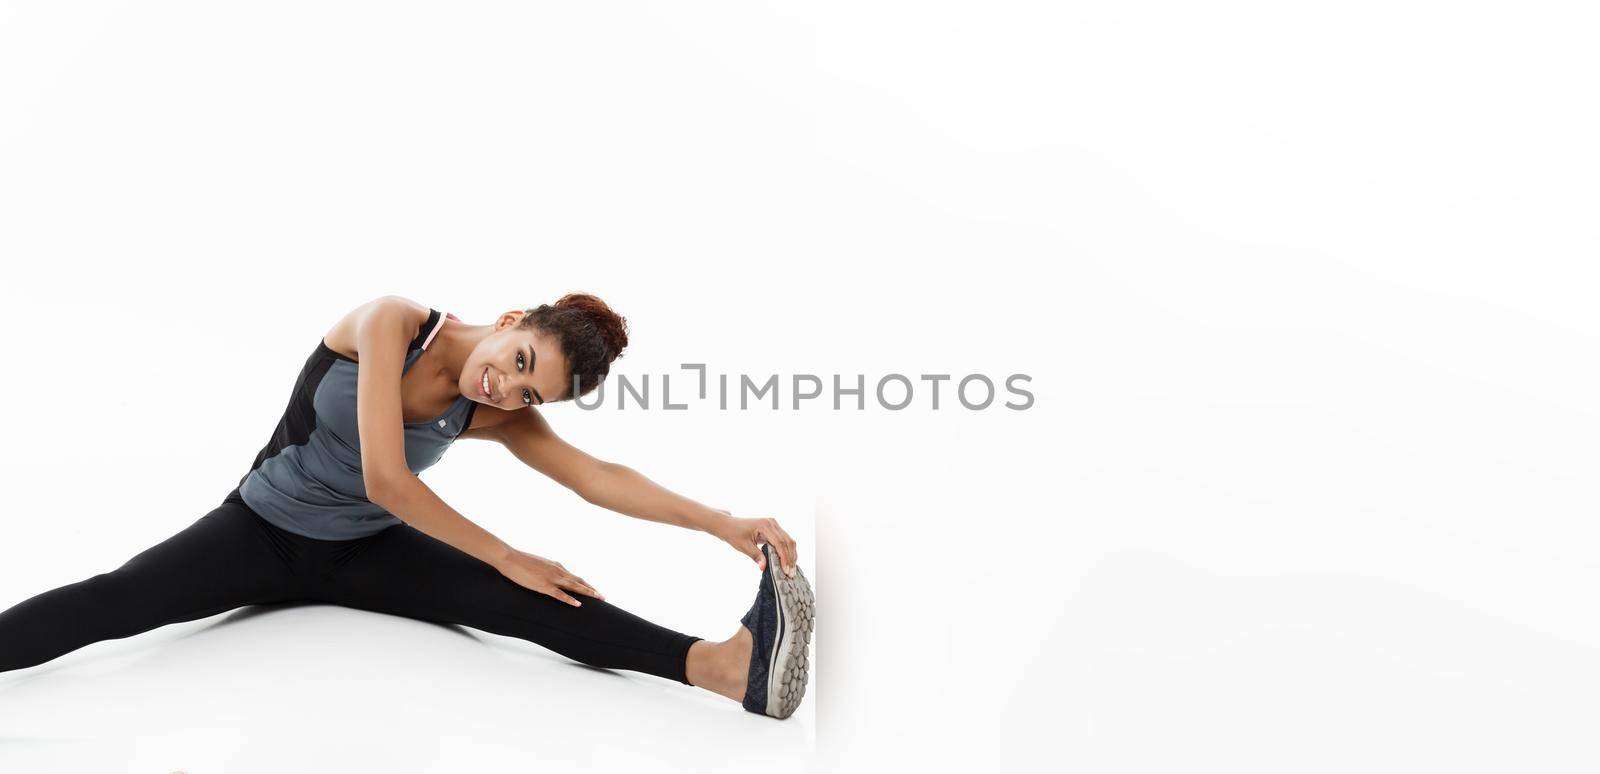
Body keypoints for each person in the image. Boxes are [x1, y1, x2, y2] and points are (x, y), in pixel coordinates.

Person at [0, 294, 814, 720]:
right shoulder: (390, 322)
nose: (507, 386)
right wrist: (503, 550)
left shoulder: (489, 410)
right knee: (114, 601)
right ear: (508, 321)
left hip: (370, 550)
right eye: (519, 360)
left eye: (530, 390)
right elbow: (390, 477)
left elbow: (593, 474)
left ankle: (723, 667)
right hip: (260, 532)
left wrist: (723, 522)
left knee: (542, 601)